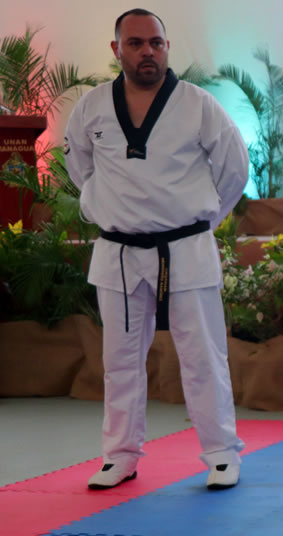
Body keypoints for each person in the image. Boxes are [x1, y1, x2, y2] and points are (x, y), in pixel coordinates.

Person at [64, 8, 248, 489]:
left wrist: (206, 218)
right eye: (137, 43)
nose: (148, 51)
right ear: (117, 49)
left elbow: (234, 168)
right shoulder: (91, 108)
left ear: (167, 47)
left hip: (185, 246)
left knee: (203, 355)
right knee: (120, 359)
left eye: (157, 43)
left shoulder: (197, 103)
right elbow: (79, 165)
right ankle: (119, 454)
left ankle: (221, 453)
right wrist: (101, 205)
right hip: (119, 252)